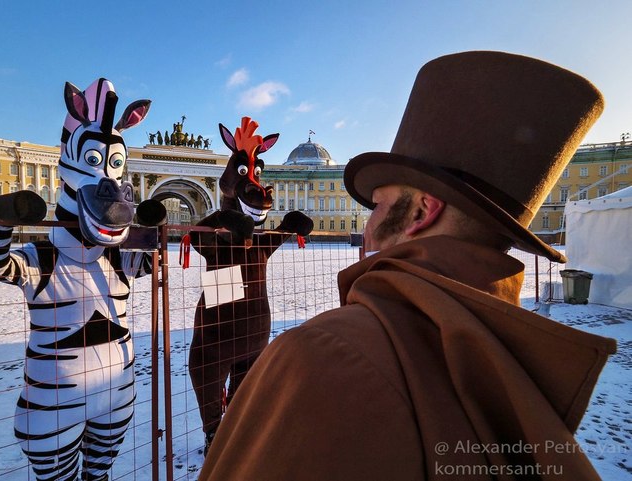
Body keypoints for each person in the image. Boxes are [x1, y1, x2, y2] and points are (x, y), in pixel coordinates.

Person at [198, 51, 617, 480]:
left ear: (421, 213)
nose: (367, 225)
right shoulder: (531, 366)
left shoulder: (320, 355)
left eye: (377, 205)